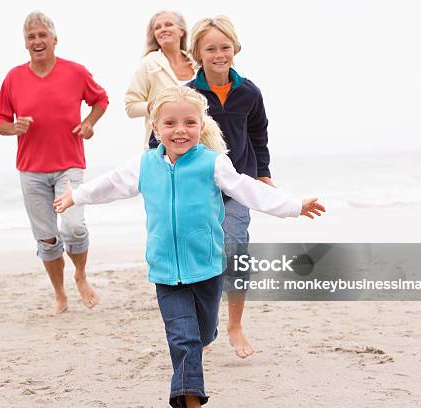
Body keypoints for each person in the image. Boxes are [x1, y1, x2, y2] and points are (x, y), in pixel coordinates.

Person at [53, 86, 325, 407]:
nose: (180, 130)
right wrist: (77, 195)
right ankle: (189, 399)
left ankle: (207, 337)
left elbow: (248, 189)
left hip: (207, 269)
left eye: (189, 123)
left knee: (203, 332)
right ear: (155, 128)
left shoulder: (212, 163)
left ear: (200, 125)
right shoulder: (144, 165)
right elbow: (110, 184)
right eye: (170, 123)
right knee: (183, 339)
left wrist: (294, 205)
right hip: (165, 271)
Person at [0, 11, 108, 315]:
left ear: (54, 39)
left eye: (43, 35)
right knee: (47, 238)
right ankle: (60, 294)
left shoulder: (75, 72)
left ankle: (80, 274)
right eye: (31, 37)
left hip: (69, 164)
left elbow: (101, 99)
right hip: (31, 170)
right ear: (26, 44)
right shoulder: (14, 78)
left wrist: (89, 123)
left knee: (74, 227)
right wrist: (11, 127)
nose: (37, 41)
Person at [187, 15, 278, 358]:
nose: (219, 54)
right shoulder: (188, 94)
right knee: (204, 256)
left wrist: (264, 174)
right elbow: (162, 138)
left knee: (236, 250)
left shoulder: (249, 92)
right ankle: (204, 323)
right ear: (197, 52)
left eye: (225, 47)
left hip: (238, 187)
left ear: (235, 48)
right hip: (198, 188)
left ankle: (235, 325)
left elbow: (258, 135)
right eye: (210, 48)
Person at [125, 10, 195, 148]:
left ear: (181, 31)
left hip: (197, 144)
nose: (163, 29)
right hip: (161, 146)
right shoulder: (148, 63)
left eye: (168, 24)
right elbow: (130, 107)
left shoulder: (197, 63)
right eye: (157, 27)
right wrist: (154, 105)